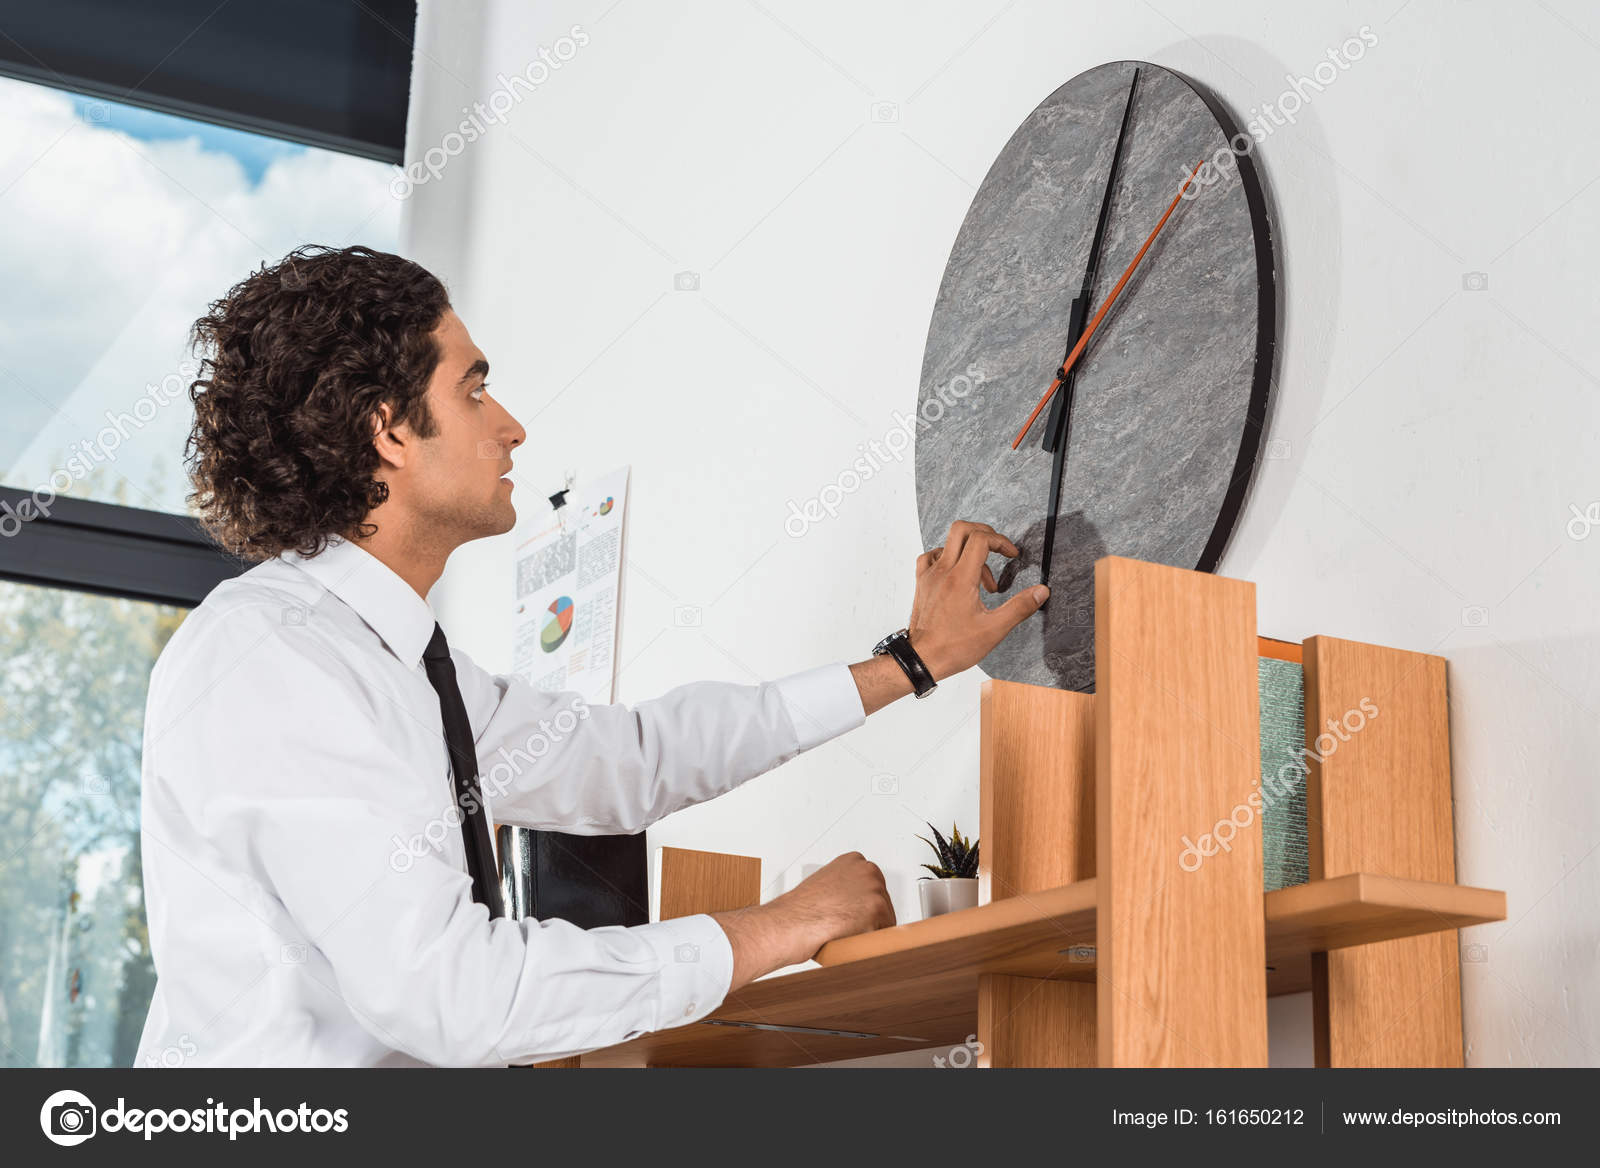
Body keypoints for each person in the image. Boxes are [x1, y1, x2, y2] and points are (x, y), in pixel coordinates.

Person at [134, 245, 1048, 1067]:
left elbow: (632, 761)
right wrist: (777, 928)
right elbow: (455, 998)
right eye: (474, 389)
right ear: (390, 431)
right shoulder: (276, 658)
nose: (511, 426)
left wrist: (913, 661)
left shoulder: (399, 665)